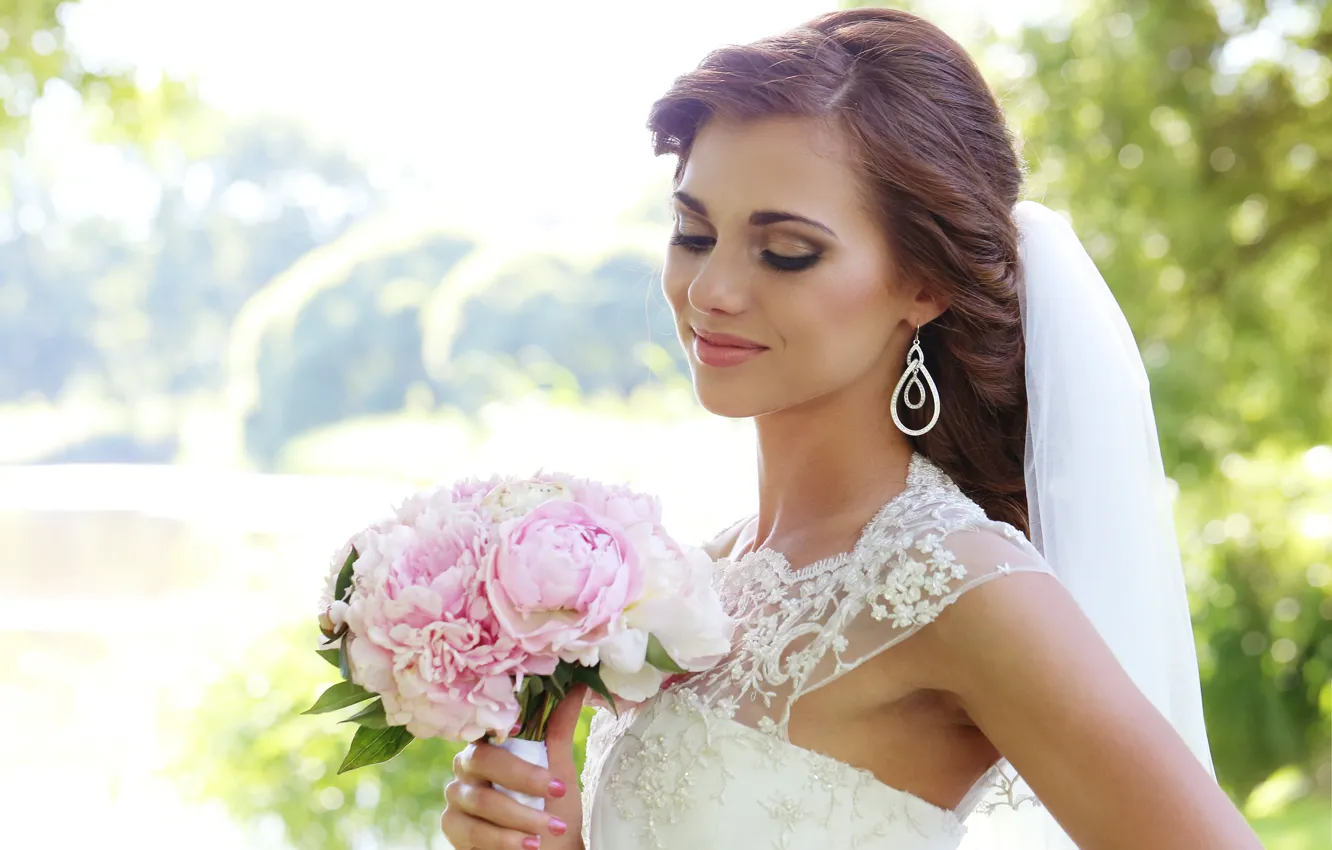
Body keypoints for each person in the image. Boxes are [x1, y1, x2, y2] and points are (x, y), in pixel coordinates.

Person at [439, 8, 1264, 849]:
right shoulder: (699, 574)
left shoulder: (961, 588)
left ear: (923, 286)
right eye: (693, 232)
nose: (709, 289)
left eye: (786, 251)